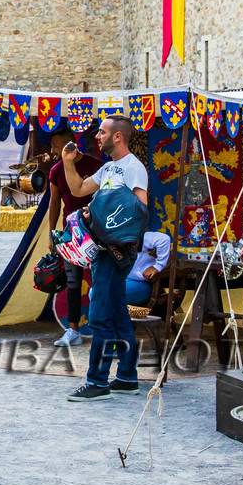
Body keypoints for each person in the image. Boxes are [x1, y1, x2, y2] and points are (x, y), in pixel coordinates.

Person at [61, 116, 149, 402]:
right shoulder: (108, 168)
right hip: (103, 249)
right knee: (118, 312)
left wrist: (99, 211)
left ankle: (97, 381)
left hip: (116, 251)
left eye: (102, 132)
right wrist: (68, 163)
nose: (97, 136)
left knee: (99, 315)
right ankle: (127, 377)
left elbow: (139, 209)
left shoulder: (133, 167)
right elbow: (78, 190)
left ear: (118, 137)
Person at [46, 130, 101, 346]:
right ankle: (73, 330)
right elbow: (54, 203)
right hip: (70, 233)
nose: (53, 151)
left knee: (100, 279)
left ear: (69, 144)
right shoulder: (56, 170)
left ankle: (101, 329)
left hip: (97, 231)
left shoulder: (96, 166)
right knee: (73, 281)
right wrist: (52, 234)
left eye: (55, 145)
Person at [125, 231, 172, 310]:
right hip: (119, 282)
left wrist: (158, 266)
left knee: (111, 291)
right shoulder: (104, 239)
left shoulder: (130, 235)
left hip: (141, 283)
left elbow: (163, 239)